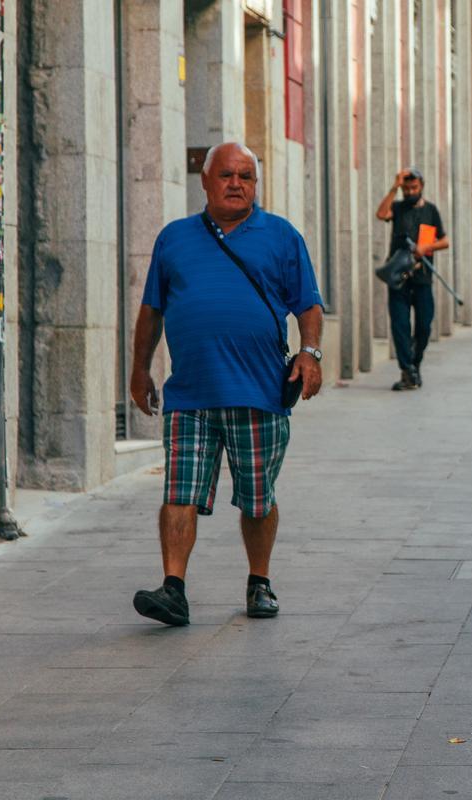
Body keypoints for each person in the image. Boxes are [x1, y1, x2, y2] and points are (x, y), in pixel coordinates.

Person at [129, 142, 325, 626]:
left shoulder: (281, 236)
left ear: (256, 185)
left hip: (258, 394)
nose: (236, 184)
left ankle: (260, 582)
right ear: (206, 180)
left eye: (246, 177)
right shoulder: (174, 239)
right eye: (226, 175)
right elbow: (151, 310)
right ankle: (173, 588)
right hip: (190, 394)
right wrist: (139, 369)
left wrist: (310, 352)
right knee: (179, 492)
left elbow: (309, 305)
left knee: (257, 498)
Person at [376, 168, 450, 391]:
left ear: (421, 187)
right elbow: (381, 214)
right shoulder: (397, 208)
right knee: (400, 326)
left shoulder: (431, 210)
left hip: (422, 278)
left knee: (424, 326)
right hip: (398, 278)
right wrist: (394, 187)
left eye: (414, 188)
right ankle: (407, 370)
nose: (410, 192)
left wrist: (427, 247)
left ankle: (414, 364)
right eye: (406, 188)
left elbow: (445, 241)